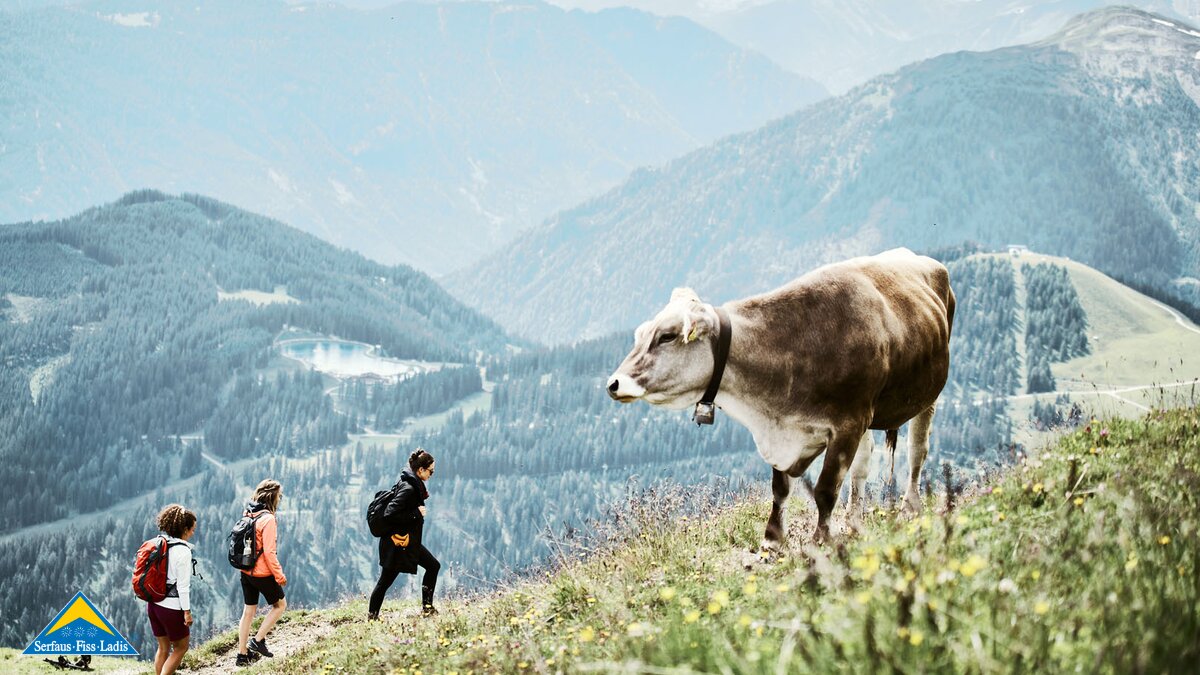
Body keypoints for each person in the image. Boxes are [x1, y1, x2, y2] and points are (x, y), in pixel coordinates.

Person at [368, 449, 440, 620]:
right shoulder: (409, 488)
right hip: (398, 544)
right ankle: (372, 617)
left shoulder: (411, 483)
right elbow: (390, 513)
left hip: (407, 542)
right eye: (431, 471)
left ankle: (427, 608)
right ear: (420, 470)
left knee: (433, 566)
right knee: (385, 581)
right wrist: (416, 513)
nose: (432, 474)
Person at [235, 480, 287, 667]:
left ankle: (242, 655)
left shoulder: (249, 513)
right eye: (279, 495)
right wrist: (279, 575)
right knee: (280, 605)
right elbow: (269, 552)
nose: (280, 498)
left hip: (245, 570)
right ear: (272, 496)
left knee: (248, 611)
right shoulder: (268, 519)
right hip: (263, 573)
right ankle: (257, 640)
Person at [148, 504, 197, 675]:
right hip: (171, 607)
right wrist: (187, 612)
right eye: (192, 529)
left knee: (163, 648)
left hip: (153, 604)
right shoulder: (183, 551)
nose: (193, 533)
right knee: (181, 647)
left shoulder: (161, 544)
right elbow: (183, 587)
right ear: (184, 529)